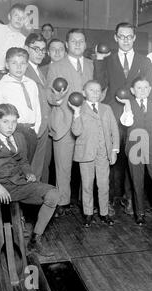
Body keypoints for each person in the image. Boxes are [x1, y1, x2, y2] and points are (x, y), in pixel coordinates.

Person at [0, 103, 60, 269]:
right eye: (5, 122)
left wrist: (28, 172)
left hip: (17, 184)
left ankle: (35, 240)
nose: (10, 127)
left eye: (14, 122)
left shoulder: (19, 138)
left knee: (53, 194)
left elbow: (22, 161)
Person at [94, 22, 152, 214]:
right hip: (112, 115)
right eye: (122, 36)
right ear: (116, 38)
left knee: (134, 158)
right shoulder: (108, 59)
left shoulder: (144, 61)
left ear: (135, 38)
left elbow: (151, 88)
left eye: (130, 36)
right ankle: (110, 199)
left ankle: (132, 199)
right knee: (113, 158)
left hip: (136, 116)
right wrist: (98, 60)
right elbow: (99, 84)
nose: (126, 40)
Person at [46, 28, 94, 217]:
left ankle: (86, 203)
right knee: (63, 167)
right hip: (63, 121)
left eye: (81, 41)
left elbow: (98, 91)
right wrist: (57, 98)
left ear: (85, 44)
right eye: (73, 41)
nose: (77, 44)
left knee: (87, 166)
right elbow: (49, 95)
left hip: (86, 123)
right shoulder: (56, 66)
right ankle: (62, 202)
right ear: (67, 44)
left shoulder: (92, 64)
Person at [119, 77, 152, 226]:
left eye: (145, 88)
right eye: (138, 88)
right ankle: (140, 213)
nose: (142, 91)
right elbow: (127, 122)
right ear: (132, 90)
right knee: (137, 181)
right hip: (135, 147)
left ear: (150, 89)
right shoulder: (128, 105)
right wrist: (127, 106)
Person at [70, 81, 120, 227]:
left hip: (103, 153)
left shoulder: (106, 108)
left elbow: (114, 130)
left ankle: (104, 213)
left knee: (104, 184)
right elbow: (76, 131)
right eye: (91, 90)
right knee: (87, 185)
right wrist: (76, 113)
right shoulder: (79, 108)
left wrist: (114, 150)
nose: (95, 93)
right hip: (86, 152)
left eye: (98, 91)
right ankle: (88, 213)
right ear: (84, 92)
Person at [0, 47, 41, 164]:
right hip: (11, 133)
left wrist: (35, 130)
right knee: (10, 170)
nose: (19, 67)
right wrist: (0, 140)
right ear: (7, 65)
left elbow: (37, 109)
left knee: (26, 169)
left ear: (27, 65)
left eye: (22, 63)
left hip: (30, 133)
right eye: (14, 63)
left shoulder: (32, 84)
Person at [0, 4, 28, 135]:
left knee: (3, 116)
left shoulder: (23, 40)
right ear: (9, 16)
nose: (19, 19)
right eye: (16, 15)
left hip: (7, 79)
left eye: (23, 17)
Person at [24, 33, 52, 183]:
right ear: (26, 48)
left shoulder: (39, 71)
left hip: (42, 128)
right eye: (36, 49)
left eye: (43, 49)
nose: (40, 53)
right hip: (32, 130)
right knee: (29, 173)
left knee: (38, 170)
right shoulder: (23, 70)